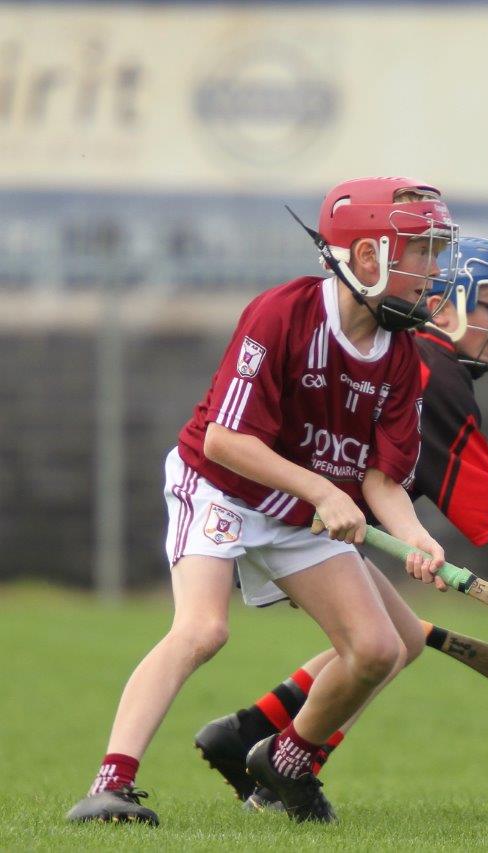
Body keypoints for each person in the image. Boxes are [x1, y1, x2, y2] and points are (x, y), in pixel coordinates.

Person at [66, 176, 458, 826]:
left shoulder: (400, 356)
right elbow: (224, 440)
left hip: (299, 509)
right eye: (420, 250)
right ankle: (110, 784)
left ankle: (287, 762)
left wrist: (415, 535)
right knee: (202, 629)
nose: (433, 269)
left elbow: (384, 480)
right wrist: (321, 489)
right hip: (221, 485)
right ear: (366, 257)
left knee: (382, 648)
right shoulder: (282, 314)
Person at [192, 236, 488, 814]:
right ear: (444, 302)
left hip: (312, 519)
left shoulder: (414, 356)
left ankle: (251, 732)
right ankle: (285, 763)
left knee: (395, 643)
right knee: (379, 647)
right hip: (300, 520)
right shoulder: (433, 371)